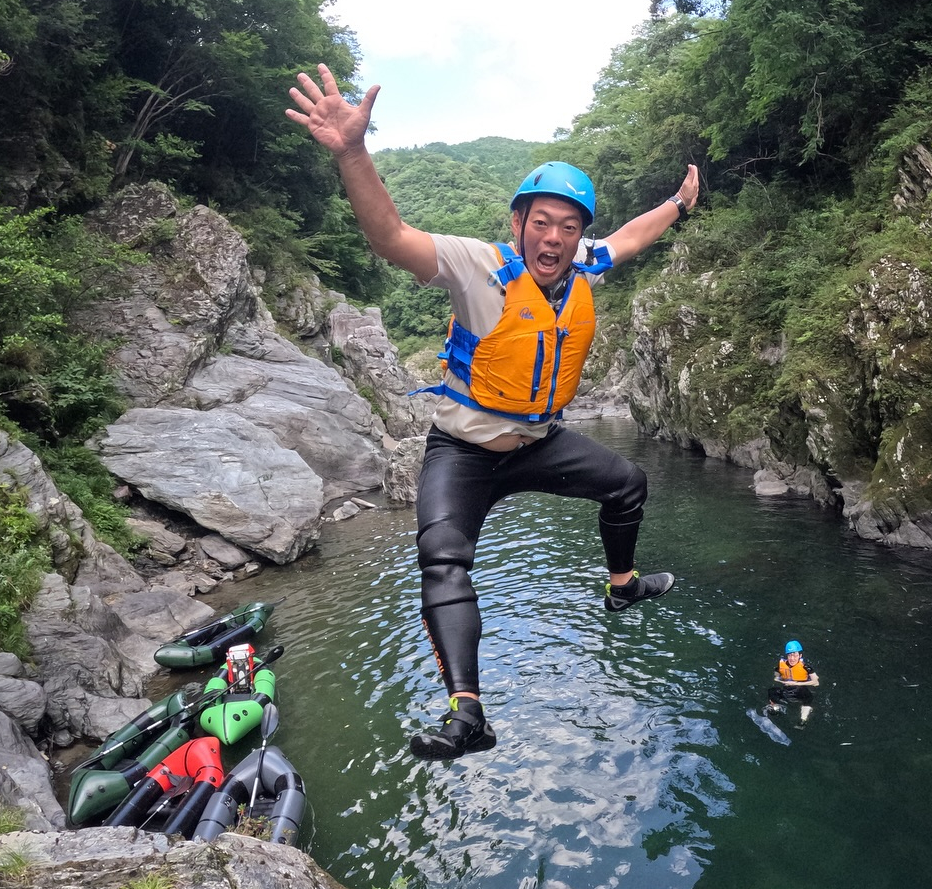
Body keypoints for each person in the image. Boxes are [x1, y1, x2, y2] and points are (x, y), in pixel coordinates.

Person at [286, 64, 699, 762]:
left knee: (627, 482)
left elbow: (629, 237)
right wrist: (352, 152)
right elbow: (390, 236)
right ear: (519, 224)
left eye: (568, 228)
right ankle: (468, 714)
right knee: (443, 559)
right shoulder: (478, 268)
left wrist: (679, 205)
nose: (555, 238)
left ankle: (622, 589)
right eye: (543, 223)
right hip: (465, 449)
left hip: (540, 441)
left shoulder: (583, 267)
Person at [766, 640, 819, 724]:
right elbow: (776, 677)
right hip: (786, 689)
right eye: (790, 655)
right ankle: (775, 709)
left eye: (795, 655)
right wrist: (780, 680)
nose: (792, 658)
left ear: (800, 655)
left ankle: (803, 720)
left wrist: (796, 683)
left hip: (800, 689)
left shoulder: (806, 667)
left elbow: (816, 683)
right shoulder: (781, 665)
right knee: (771, 691)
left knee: (808, 698)